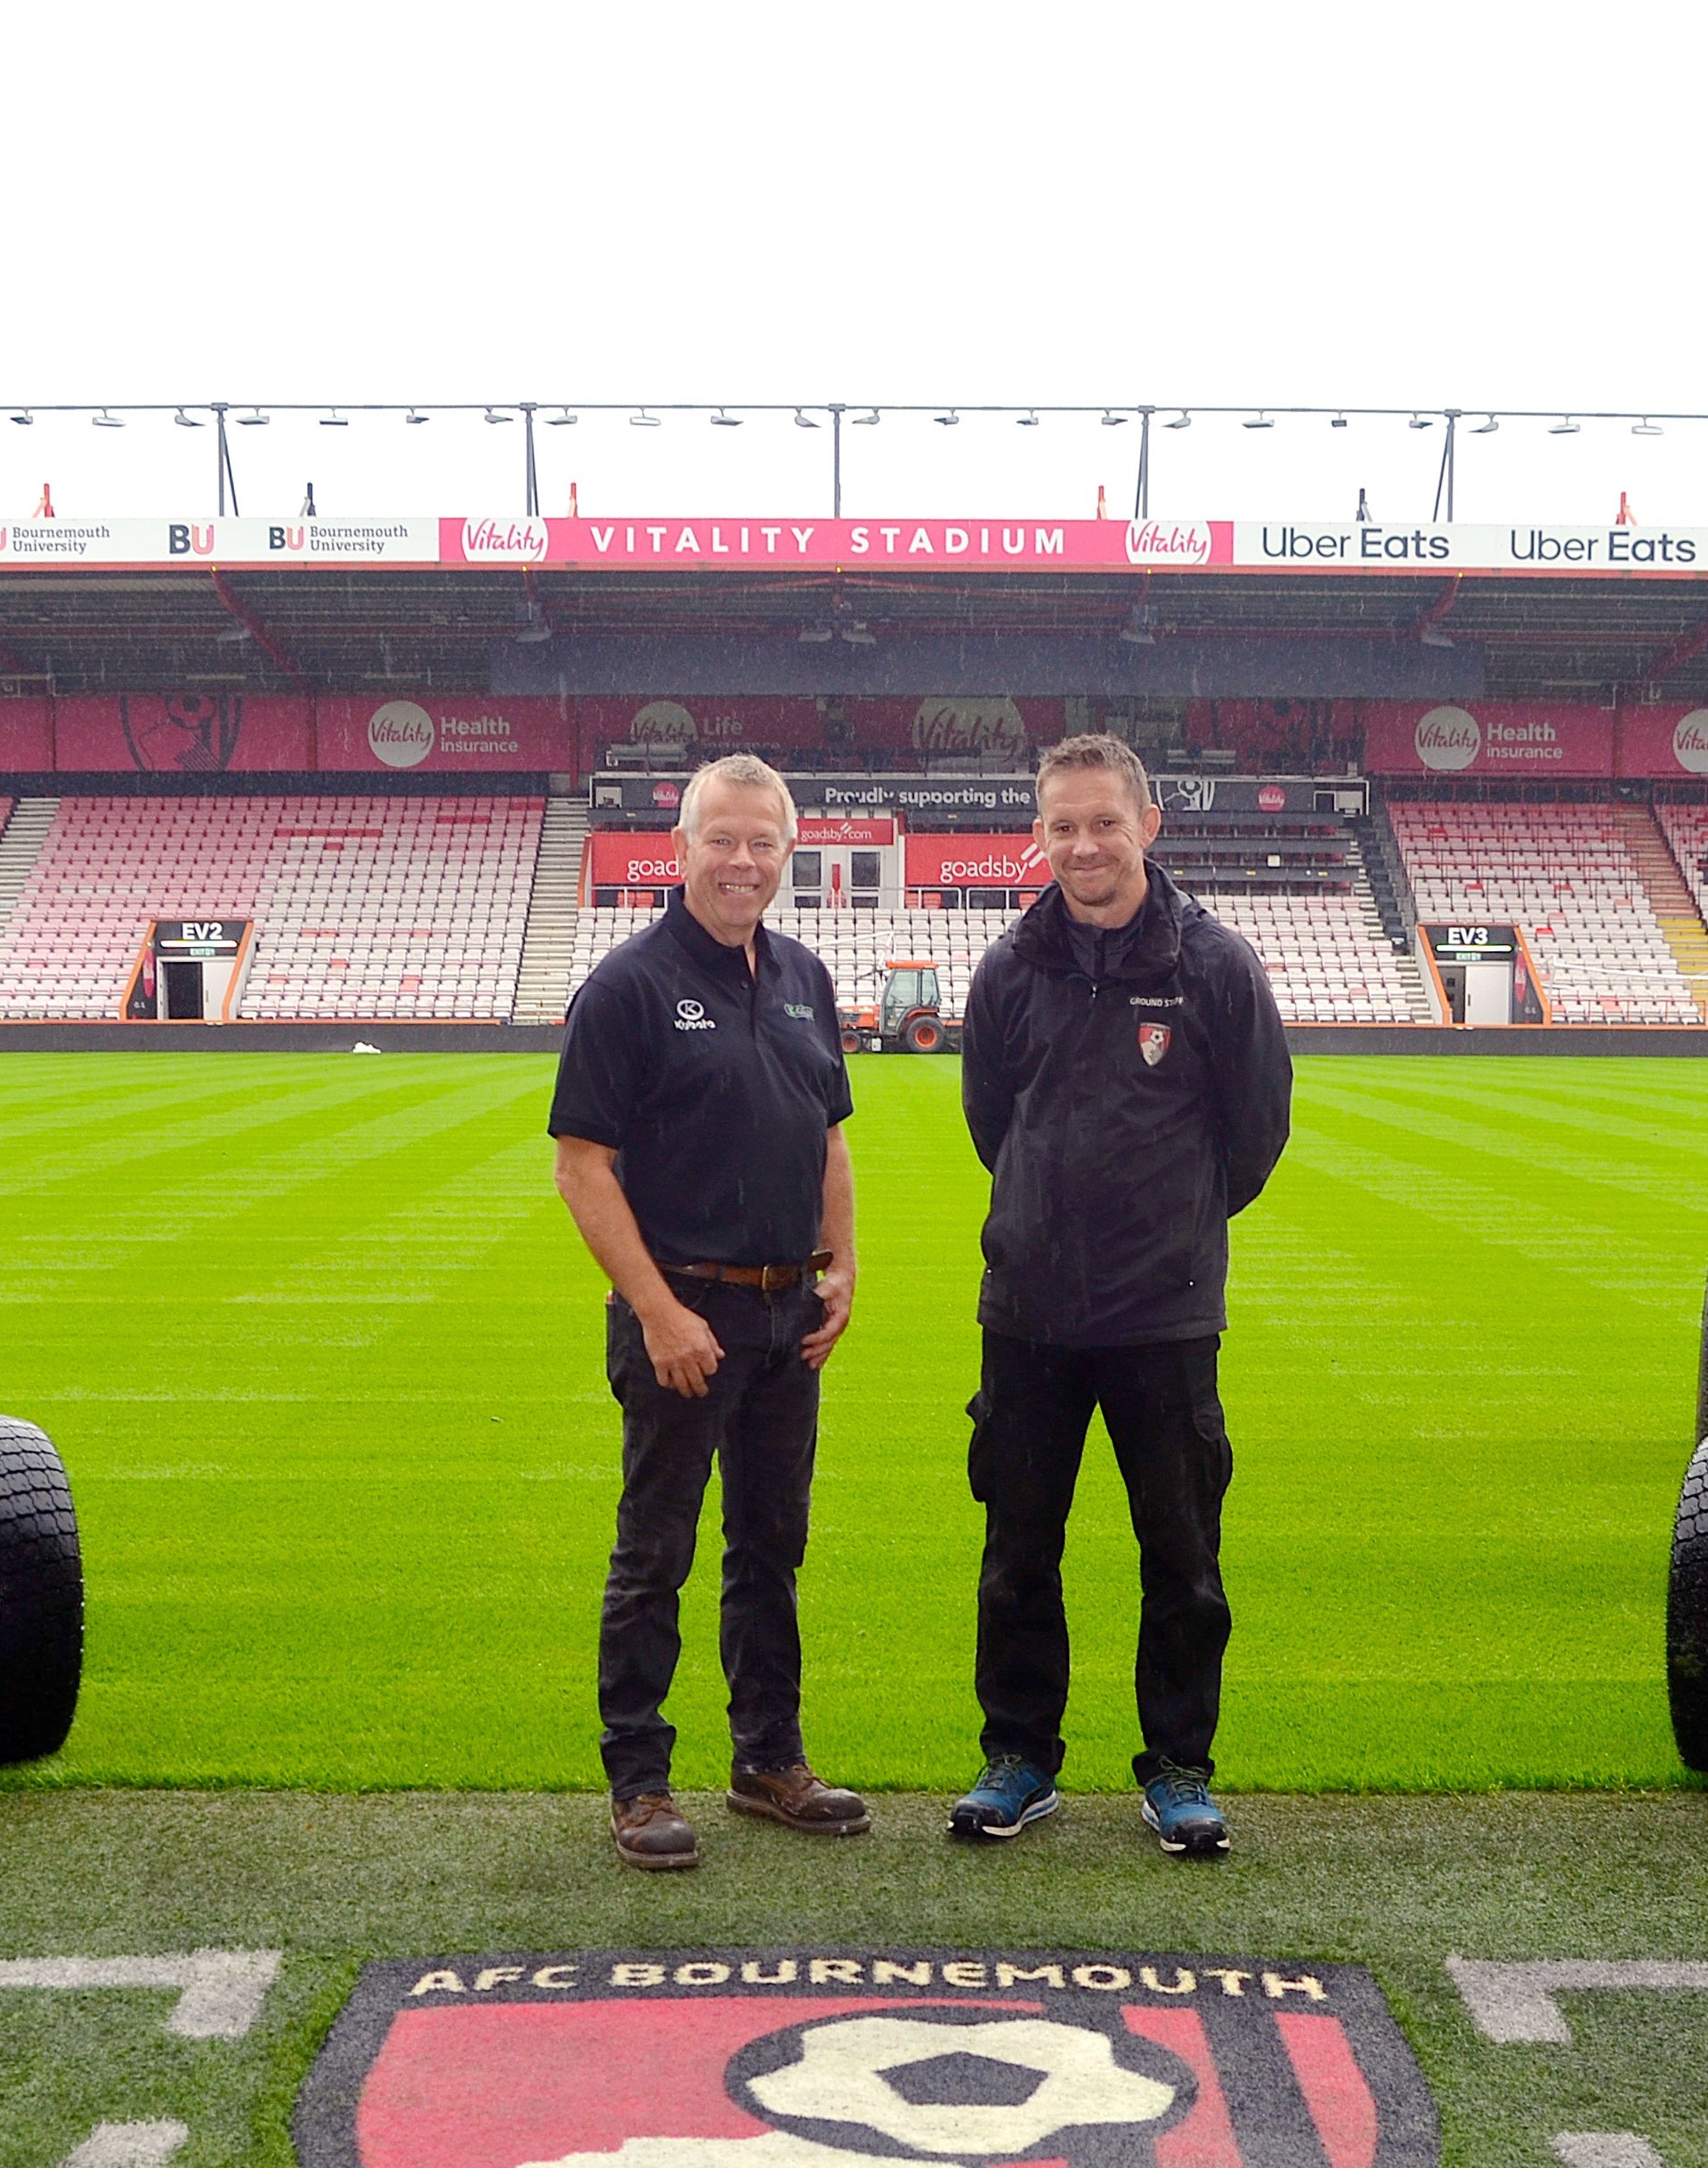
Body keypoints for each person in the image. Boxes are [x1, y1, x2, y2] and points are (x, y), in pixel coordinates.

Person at [948, 732, 1293, 1858]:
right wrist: (1045, 1224)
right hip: (1029, 1316)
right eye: (1062, 825)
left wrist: (1170, 1230)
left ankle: (1179, 1768)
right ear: (1038, 835)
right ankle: (1017, 1759)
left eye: (1103, 821)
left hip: (1163, 1318)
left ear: (1146, 824)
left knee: (1182, 1560)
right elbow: (991, 1124)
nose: (1084, 844)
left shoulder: (1214, 964)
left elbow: (1256, 1133)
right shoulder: (1008, 968)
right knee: (1016, 1555)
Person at [548, 754, 868, 1870]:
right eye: (720, 840)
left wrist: (840, 1264)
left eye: (761, 842)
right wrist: (655, 1310)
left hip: (786, 1320)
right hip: (682, 1313)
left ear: (787, 852)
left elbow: (827, 1137)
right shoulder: (627, 987)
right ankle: (638, 1782)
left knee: (771, 1547)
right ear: (679, 848)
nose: (741, 861)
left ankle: (767, 1760)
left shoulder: (803, 976)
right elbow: (580, 1166)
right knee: (655, 1553)